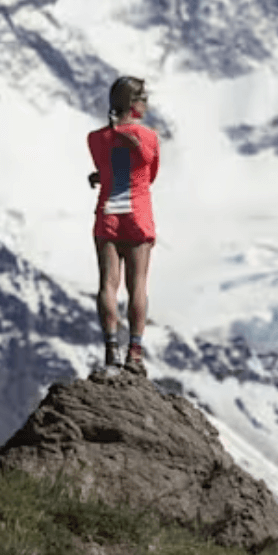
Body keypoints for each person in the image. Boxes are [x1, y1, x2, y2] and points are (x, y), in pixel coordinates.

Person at [86, 76, 160, 376]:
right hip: (138, 214)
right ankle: (135, 353)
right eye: (144, 98)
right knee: (137, 284)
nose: (147, 104)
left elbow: (108, 169)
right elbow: (149, 175)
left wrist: (99, 177)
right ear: (134, 103)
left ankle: (111, 350)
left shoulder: (95, 138)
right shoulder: (149, 137)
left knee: (108, 283)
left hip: (108, 214)